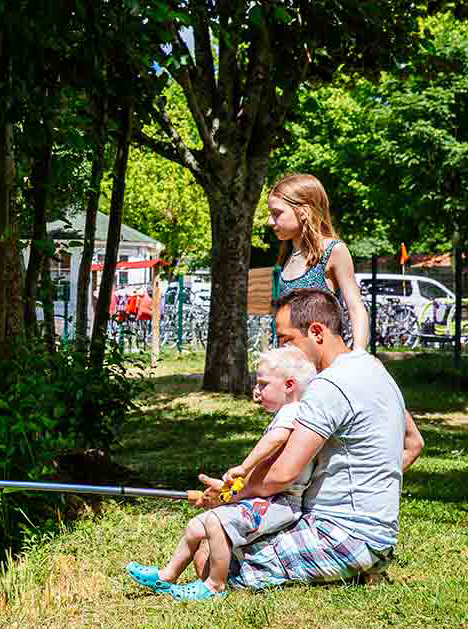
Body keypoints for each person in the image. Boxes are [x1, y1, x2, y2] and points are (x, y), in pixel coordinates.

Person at [161, 289, 423, 599]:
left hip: (340, 536)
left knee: (211, 553)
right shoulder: (376, 371)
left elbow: (283, 474)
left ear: (316, 332)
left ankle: (350, 566)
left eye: (287, 340)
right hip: (380, 537)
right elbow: (414, 444)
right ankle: (362, 567)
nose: (282, 348)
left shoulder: (329, 385)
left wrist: (231, 495)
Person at [126, 345, 318, 600]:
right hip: (268, 497)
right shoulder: (287, 412)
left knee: (217, 522)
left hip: (281, 502)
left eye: (262, 384)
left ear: (289, 385)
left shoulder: (294, 411)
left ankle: (215, 586)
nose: (256, 391)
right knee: (196, 526)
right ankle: (167, 576)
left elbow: (275, 440)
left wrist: (244, 466)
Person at [269, 173, 370, 351]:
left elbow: (356, 308)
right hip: (293, 366)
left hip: (324, 366)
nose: (270, 221)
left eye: (277, 214)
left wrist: (359, 354)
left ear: (303, 212)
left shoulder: (333, 251)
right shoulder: (286, 256)